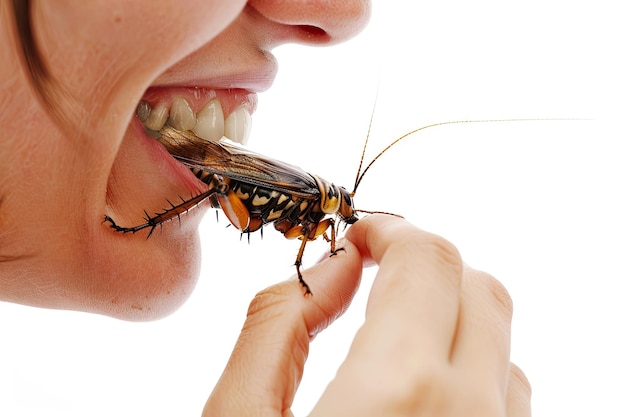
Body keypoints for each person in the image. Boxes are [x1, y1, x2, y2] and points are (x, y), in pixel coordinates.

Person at [0, 1, 530, 415]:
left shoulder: (318, 212)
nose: (342, 10)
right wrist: (307, 263)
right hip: (240, 185)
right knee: (214, 186)